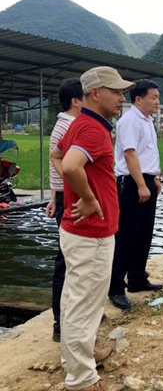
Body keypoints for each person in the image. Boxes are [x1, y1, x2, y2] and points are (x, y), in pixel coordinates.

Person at [50, 66, 134, 391]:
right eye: (116, 91)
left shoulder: (79, 123)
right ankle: (83, 380)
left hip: (81, 230)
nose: (122, 97)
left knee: (77, 300)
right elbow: (70, 165)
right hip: (91, 233)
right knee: (84, 305)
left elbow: (57, 154)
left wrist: (79, 193)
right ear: (96, 93)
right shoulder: (93, 129)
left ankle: (79, 359)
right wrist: (87, 198)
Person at [108, 80, 163, 311]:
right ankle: (116, 287)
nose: (157, 102)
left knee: (144, 233)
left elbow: (148, 152)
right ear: (138, 99)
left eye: (158, 97)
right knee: (127, 235)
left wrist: (155, 178)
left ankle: (137, 278)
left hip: (146, 179)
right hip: (132, 182)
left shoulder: (147, 120)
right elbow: (130, 154)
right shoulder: (130, 120)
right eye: (153, 97)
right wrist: (141, 184)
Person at [45, 78, 84, 342]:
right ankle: (61, 321)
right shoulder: (67, 126)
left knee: (77, 258)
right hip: (71, 198)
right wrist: (62, 197)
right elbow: (63, 165)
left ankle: (75, 314)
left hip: (66, 196)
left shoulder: (70, 124)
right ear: (76, 101)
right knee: (67, 259)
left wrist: (53, 196)